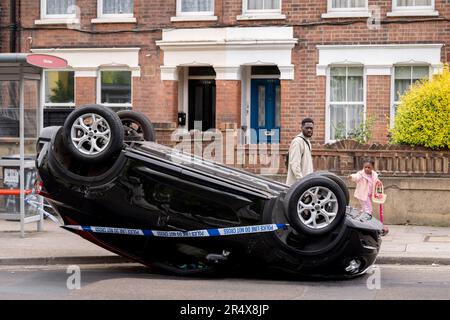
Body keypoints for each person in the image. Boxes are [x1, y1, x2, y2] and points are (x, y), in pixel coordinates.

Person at [286, 118, 314, 186]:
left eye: (311, 128)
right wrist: (302, 182)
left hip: (304, 184)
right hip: (297, 186)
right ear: (302, 128)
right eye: (307, 128)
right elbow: (295, 164)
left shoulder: (307, 141)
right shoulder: (297, 141)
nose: (309, 130)